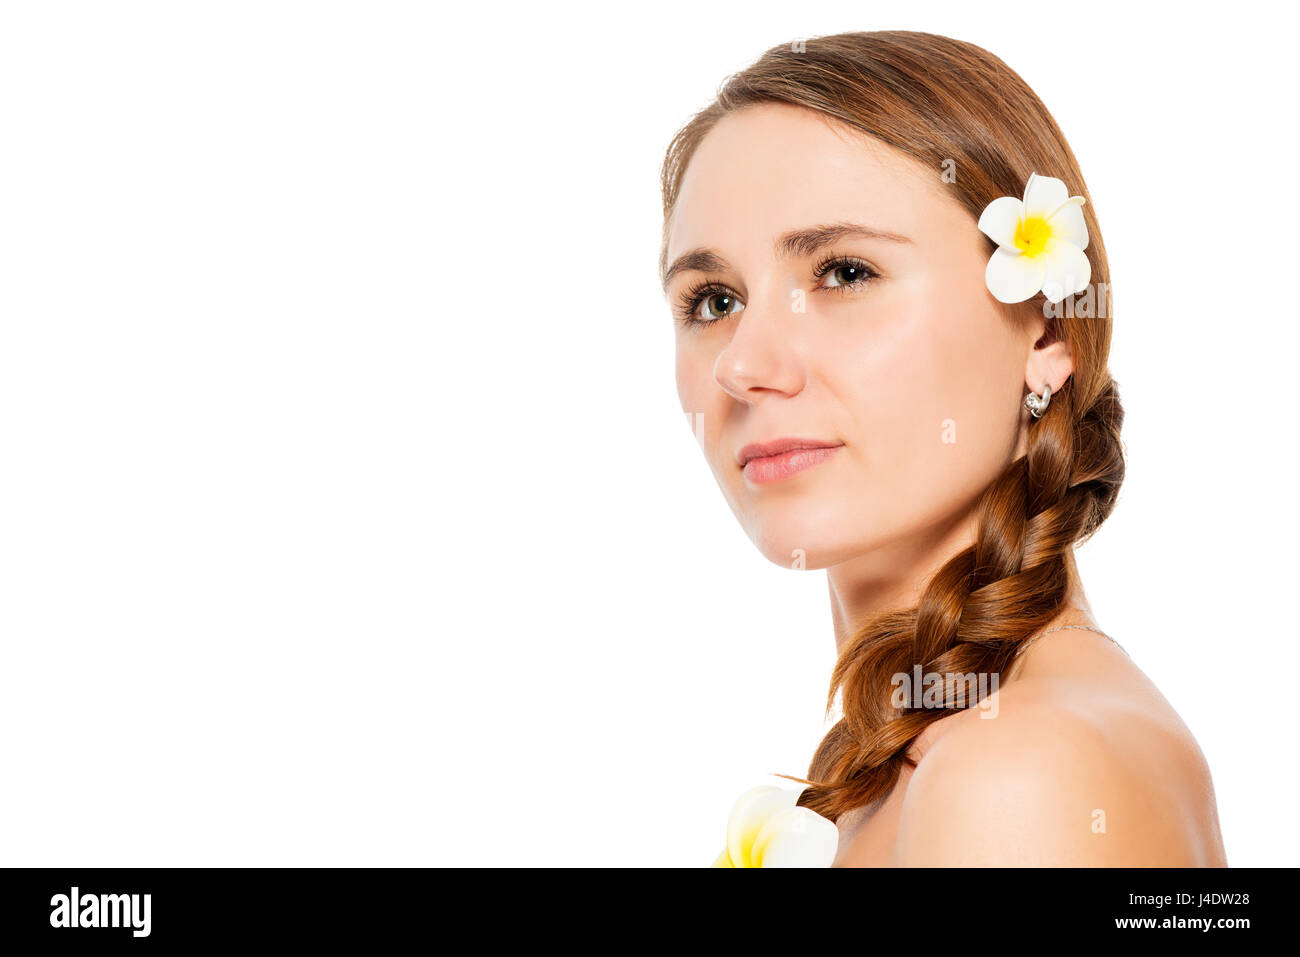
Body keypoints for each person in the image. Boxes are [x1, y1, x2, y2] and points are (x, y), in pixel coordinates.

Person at [660, 31, 1227, 866]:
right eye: (712, 300)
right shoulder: (909, 754)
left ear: (1047, 324)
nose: (744, 365)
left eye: (844, 273)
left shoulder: (1020, 771)